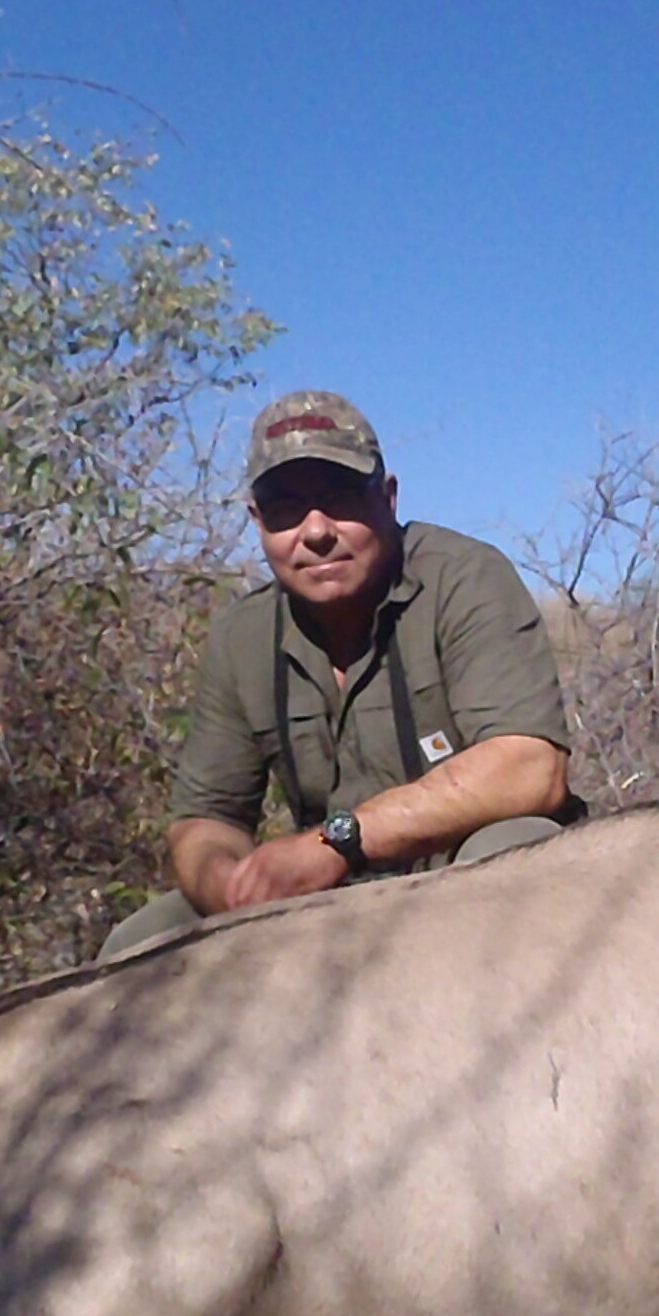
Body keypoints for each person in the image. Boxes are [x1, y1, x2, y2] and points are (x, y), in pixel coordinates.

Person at [100, 390, 574, 958]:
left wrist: (335, 842)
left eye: (341, 497)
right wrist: (231, 886)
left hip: (451, 875)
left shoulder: (464, 577)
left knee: (518, 856)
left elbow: (528, 769)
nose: (317, 530)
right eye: (285, 508)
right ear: (257, 521)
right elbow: (205, 819)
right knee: (140, 942)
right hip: (330, 897)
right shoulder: (241, 636)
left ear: (389, 498)